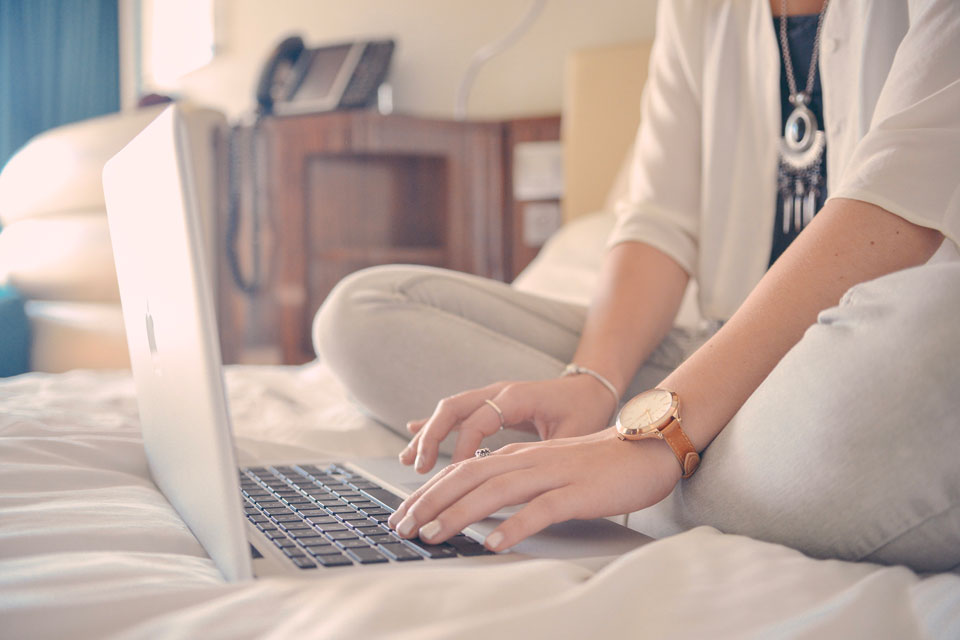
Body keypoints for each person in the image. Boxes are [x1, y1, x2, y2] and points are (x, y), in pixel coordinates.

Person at [315, 0, 960, 573]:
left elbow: (897, 204)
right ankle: (641, 466)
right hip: (714, 349)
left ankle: (633, 472)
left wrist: (657, 437)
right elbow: (659, 218)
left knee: (942, 331)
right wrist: (591, 381)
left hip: (861, 353)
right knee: (365, 311)